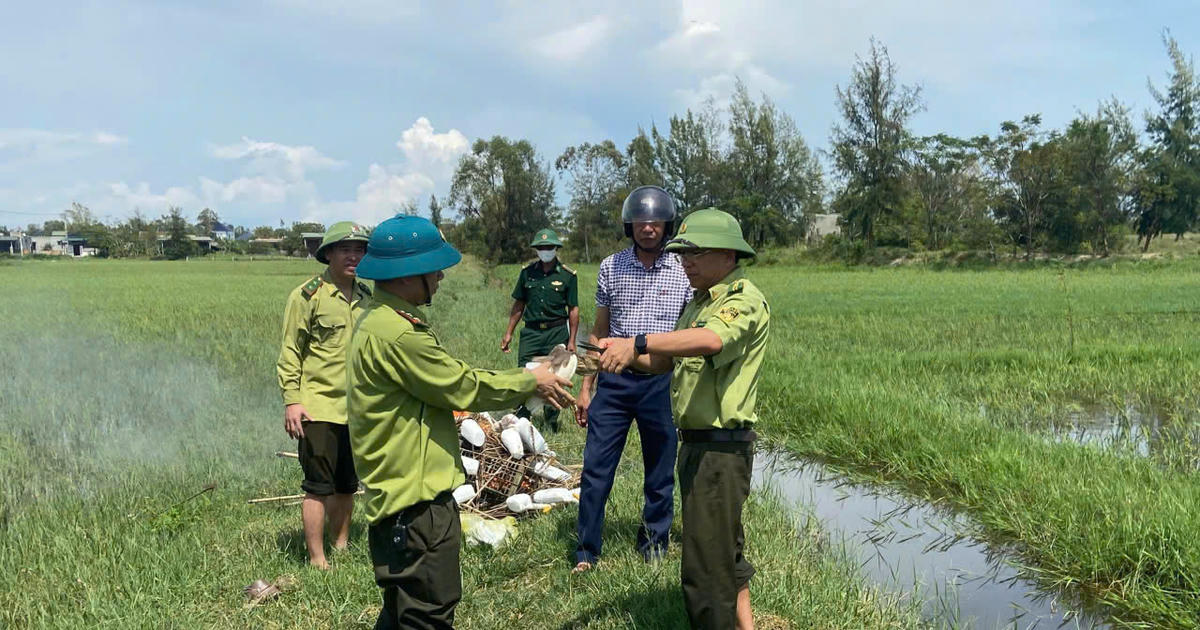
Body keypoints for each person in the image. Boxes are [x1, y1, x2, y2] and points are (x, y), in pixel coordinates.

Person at [347, 214, 575, 629]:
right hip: (415, 508)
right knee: (427, 615)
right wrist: (529, 380)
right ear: (407, 272)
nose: (440, 277)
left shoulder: (377, 320)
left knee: (402, 615)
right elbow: (461, 386)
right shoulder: (398, 333)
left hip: (397, 503)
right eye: (434, 268)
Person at [597, 207, 769, 630]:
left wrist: (637, 339)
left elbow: (710, 342)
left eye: (695, 253)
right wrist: (615, 356)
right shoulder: (696, 305)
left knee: (705, 572)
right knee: (726, 553)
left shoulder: (741, 298)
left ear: (728, 257)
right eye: (682, 254)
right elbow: (663, 362)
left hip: (719, 450)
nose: (685, 262)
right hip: (696, 445)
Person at [572, 185, 693, 572]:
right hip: (615, 381)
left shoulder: (682, 270)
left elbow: (689, 332)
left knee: (660, 470)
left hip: (661, 382)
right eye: (641, 222)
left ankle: (654, 543)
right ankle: (587, 550)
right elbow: (598, 332)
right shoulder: (611, 266)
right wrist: (586, 388)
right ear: (630, 226)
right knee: (596, 470)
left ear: (667, 225)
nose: (648, 229)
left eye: (655, 222)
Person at [275, 220, 371, 570]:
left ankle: (341, 545)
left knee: (347, 484)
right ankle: (318, 559)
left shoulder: (367, 297)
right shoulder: (307, 296)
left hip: (356, 409)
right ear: (328, 253)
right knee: (318, 486)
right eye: (345, 249)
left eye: (360, 249)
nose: (353, 255)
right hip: (317, 407)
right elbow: (291, 351)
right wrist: (292, 400)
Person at [501, 228, 580, 432]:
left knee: (556, 375)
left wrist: (572, 340)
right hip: (532, 333)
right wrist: (509, 332)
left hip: (556, 332)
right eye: (542, 247)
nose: (545, 250)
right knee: (524, 375)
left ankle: (551, 421)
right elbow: (519, 305)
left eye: (549, 247)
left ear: (556, 248)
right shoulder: (527, 273)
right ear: (536, 249)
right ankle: (521, 419)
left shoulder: (568, 276)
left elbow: (573, 309)